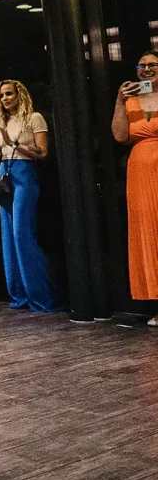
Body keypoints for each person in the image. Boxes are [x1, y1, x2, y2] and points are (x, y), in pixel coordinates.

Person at [0, 80, 60, 312]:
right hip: (4, 173)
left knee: (21, 234)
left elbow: (43, 152)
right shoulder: (1, 121)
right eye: (1, 95)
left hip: (25, 172)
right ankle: (18, 294)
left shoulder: (34, 118)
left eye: (8, 94)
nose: (4, 98)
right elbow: (2, 153)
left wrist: (13, 144)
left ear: (20, 95)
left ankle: (42, 296)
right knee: (7, 236)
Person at [112, 50, 158, 315]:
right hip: (140, 171)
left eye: (153, 65)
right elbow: (119, 136)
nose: (147, 70)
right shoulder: (130, 102)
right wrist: (120, 100)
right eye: (142, 65)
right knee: (147, 234)